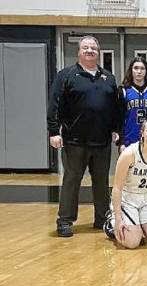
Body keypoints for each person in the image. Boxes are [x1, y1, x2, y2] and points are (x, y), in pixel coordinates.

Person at [47, 35, 120, 237]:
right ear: (79, 52)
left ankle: (102, 219)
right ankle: (65, 221)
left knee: (101, 182)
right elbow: (54, 105)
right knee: (72, 180)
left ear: (98, 52)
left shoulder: (108, 77)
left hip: (102, 141)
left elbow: (115, 107)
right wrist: (54, 131)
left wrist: (116, 129)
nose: (90, 51)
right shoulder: (66, 75)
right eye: (86, 48)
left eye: (93, 48)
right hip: (74, 140)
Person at [106, 118, 147, 248]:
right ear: (142, 133)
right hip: (128, 199)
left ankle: (139, 225)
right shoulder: (129, 153)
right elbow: (117, 188)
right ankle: (110, 222)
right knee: (132, 243)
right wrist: (118, 218)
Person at [119, 57, 147, 152]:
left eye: (142, 68)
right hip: (130, 137)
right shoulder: (124, 90)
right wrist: (121, 141)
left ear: (146, 71)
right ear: (131, 70)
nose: (139, 71)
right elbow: (119, 118)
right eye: (136, 68)